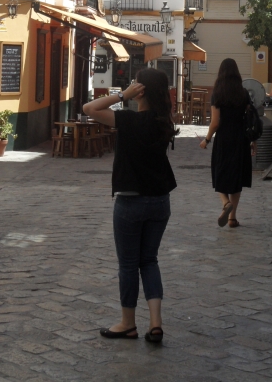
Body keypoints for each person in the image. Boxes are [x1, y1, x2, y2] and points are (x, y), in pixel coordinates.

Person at [83, 67, 178, 344]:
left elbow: (89, 108)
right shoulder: (163, 122)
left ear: (140, 91)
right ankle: (156, 323)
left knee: (128, 264)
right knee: (149, 260)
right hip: (160, 200)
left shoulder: (128, 120)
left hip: (131, 201)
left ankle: (128, 323)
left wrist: (121, 95)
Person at [199, 58, 256, 228]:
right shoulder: (243, 93)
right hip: (241, 139)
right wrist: (253, 140)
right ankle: (232, 218)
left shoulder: (217, 94)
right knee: (237, 176)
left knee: (220, 173)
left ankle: (225, 203)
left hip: (224, 139)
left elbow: (215, 122)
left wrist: (207, 139)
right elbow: (250, 119)